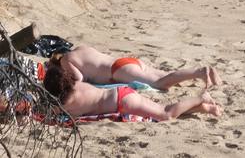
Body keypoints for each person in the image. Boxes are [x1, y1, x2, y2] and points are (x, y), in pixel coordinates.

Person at [41, 55, 222, 122]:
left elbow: (46, 112)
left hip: (123, 98)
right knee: (161, 95)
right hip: (121, 88)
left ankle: (201, 98)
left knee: (166, 113)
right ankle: (203, 108)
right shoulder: (76, 84)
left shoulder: (65, 103)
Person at [51, 45, 221, 90]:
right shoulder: (80, 48)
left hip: (118, 71)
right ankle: (203, 70)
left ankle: (200, 72)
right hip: (123, 61)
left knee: (161, 83)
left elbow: (79, 79)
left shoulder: (66, 61)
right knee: (164, 74)